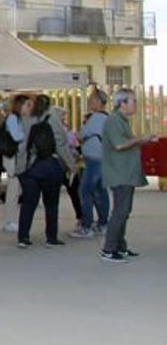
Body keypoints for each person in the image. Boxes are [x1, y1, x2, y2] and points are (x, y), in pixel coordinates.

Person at [100, 89, 156, 263]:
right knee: (120, 211)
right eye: (133, 101)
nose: (135, 104)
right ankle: (109, 249)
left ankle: (119, 246)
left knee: (124, 211)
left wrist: (142, 140)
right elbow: (119, 145)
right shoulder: (114, 120)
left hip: (126, 172)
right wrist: (141, 139)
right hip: (119, 172)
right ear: (122, 103)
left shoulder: (122, 120)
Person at [16, 95, 68, 248]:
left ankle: (23, 237)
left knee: (28, 203)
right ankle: (51, 238)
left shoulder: (25, 119)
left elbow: (18, 142)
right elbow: (61, 143)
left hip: (28, 167)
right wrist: (70, 164)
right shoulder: (52, 119)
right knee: (51, 203)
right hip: (49, 165)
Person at [71, 89, 110, 239]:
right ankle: (103, 224)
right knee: (101, 192)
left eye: (91, 99)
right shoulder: (108, 118)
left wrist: (77, 136)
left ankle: (86, 226)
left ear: (99, 102)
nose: (89, 102)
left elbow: (81, 136)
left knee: (84, 191)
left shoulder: (95, 118)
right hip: (103, 159)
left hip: (93, 160)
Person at [1, 94, 33, 232]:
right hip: (12, 158)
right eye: (27, 105)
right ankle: (10, 220)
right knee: (13, 190)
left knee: (16, 189)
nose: (29, 108)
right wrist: (28, 134)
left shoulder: (18, 118)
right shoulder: (13, 118)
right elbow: (17, 136)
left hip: (17, 158)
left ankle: (12, 220)